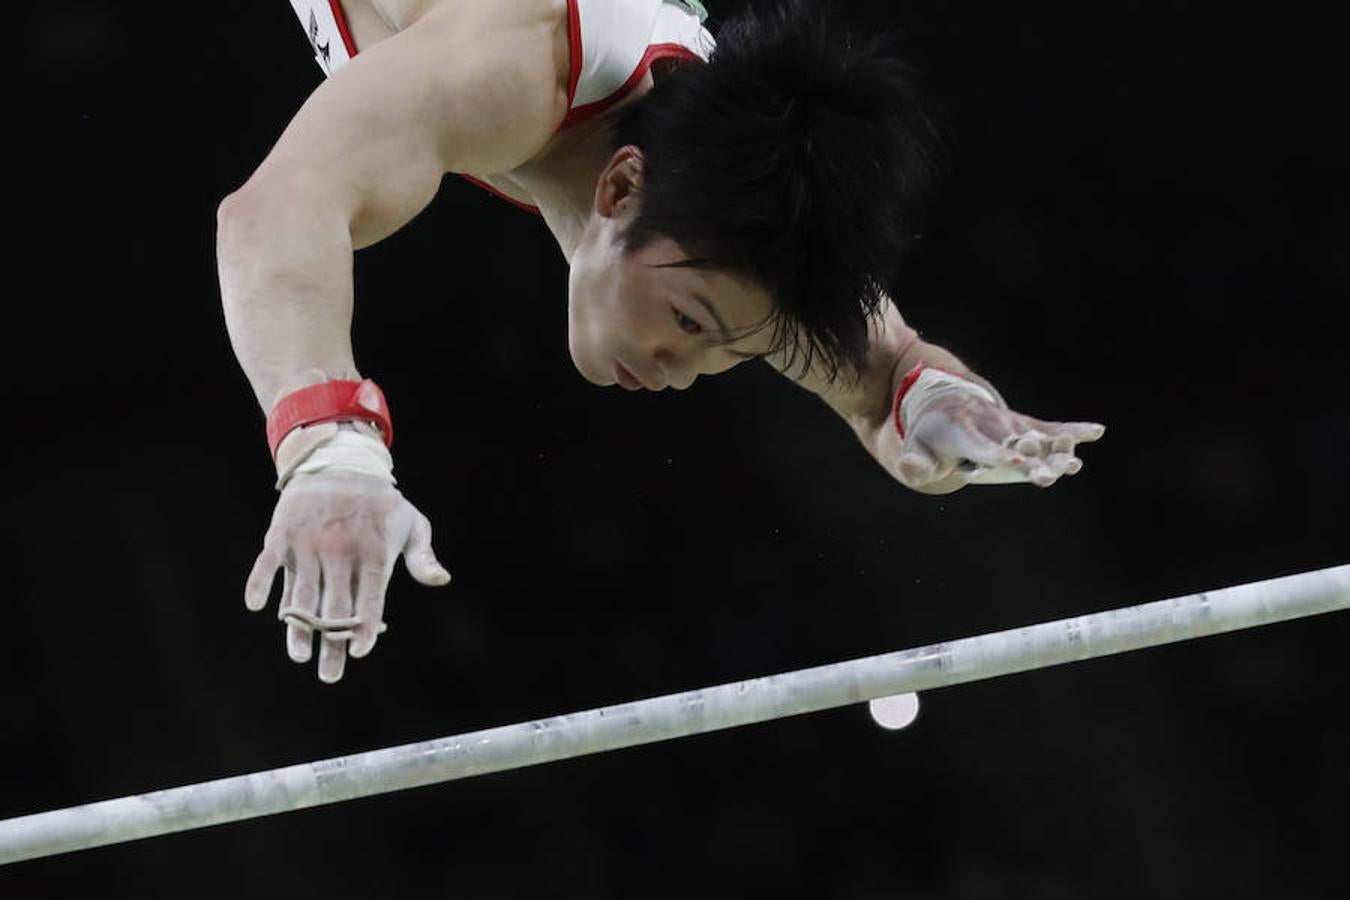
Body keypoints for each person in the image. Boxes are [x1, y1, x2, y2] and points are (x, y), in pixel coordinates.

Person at [217, 0, 1105, 684]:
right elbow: (272, 214)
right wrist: (331, 453)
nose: (687, 371)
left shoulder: (722, 179)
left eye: (730, 351)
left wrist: (938, 405)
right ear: (620, 187)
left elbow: (884, 370)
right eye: (688, 321)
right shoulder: (508, 65)